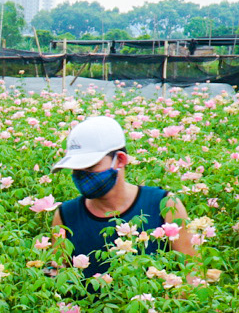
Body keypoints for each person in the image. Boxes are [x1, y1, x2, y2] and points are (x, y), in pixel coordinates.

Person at [49, 114, 197, 278]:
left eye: (90, 166)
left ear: (120, 160)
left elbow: (191, 273)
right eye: (76, 169)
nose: (82, 174)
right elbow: (59, 279)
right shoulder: (66, 215)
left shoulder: (163, 204)